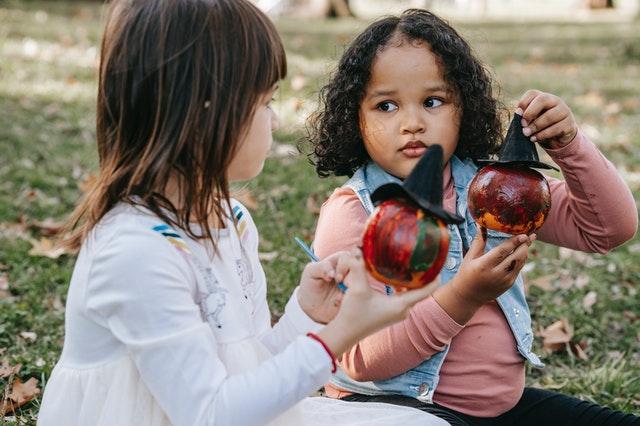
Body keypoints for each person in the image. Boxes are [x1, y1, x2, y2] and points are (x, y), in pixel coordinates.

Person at [35, 2, 454, 425]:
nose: (274, 121)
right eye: (265, 102)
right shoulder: (136, 252)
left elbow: (248, 368)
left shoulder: (227, 219)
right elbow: (212, 414)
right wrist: (340, 337)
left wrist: (304, 315)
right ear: (206, 112)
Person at [308, 8, 638, 426]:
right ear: (355, 118)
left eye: (432, 101)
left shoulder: (497, 189)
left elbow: (607, 230)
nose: (412, 123)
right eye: (386, 105)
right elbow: (353, 356)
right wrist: (462, 297)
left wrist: (570, 146)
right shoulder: (355, 213)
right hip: (397, 411)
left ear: (463, 107)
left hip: (501, 410)